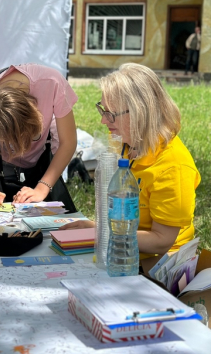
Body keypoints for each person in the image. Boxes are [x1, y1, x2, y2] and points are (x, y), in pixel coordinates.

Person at [61, 63, 200, 259]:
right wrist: (97, 228)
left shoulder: (173, 165)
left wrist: (101, 233)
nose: (103, 121)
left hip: (159, 267)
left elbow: (161, 242)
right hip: (122, 250)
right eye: (103, 110)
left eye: (111, 114)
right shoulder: (125, 143)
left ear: (139, 112)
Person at [0, 64, 78, 211]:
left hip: (41, 162)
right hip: (1, 168)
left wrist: (42, 188)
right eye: (4, 142)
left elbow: (68, 142)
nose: (15, 150)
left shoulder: (52, 82)